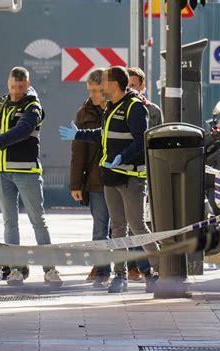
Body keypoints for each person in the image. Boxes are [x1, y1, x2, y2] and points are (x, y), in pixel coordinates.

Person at [59, 66, 159, 293]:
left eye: (104, 81)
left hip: (131, 178)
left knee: (137, 226)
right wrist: (78, 134)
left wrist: (123, 156)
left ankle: (157, 271)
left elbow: (140, 139)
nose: (101, 85)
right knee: (117, 229)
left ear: (114, 84)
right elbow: (103, 133)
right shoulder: (111, 107)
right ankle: (119, 276)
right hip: (111, 178)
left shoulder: (134, 107)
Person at [0, 66, 62, 287]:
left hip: (26, 171)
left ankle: (50, 269)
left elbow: (23, 130)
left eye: (21, 87)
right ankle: (15, 270)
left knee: (38, 221)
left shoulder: (33, 106)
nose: (17, 91)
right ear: (8, 83)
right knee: (9, 222)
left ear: (28, 84)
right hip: (0, 171)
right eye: (13, 87)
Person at [69, 68, 111, 288]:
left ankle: (122, 270)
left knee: (120, 228)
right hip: (96, 181)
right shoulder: (83, 114)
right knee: (100, 228)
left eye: (96, 90)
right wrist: (76, 184)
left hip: (119, 177)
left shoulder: (118, 109)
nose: (92, 95)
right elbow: (78, 153)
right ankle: (103, 271)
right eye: (90, 90)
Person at [126, 67, 163, 282]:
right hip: (124, 170)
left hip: (145, 171)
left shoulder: (154, 111)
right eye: (127, 84)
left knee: (139, 221)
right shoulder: (118, 107)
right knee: (127, 222)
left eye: (134, 84)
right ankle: (133, 267)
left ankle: (144, 266)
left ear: (143, 86)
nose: (131, 88)